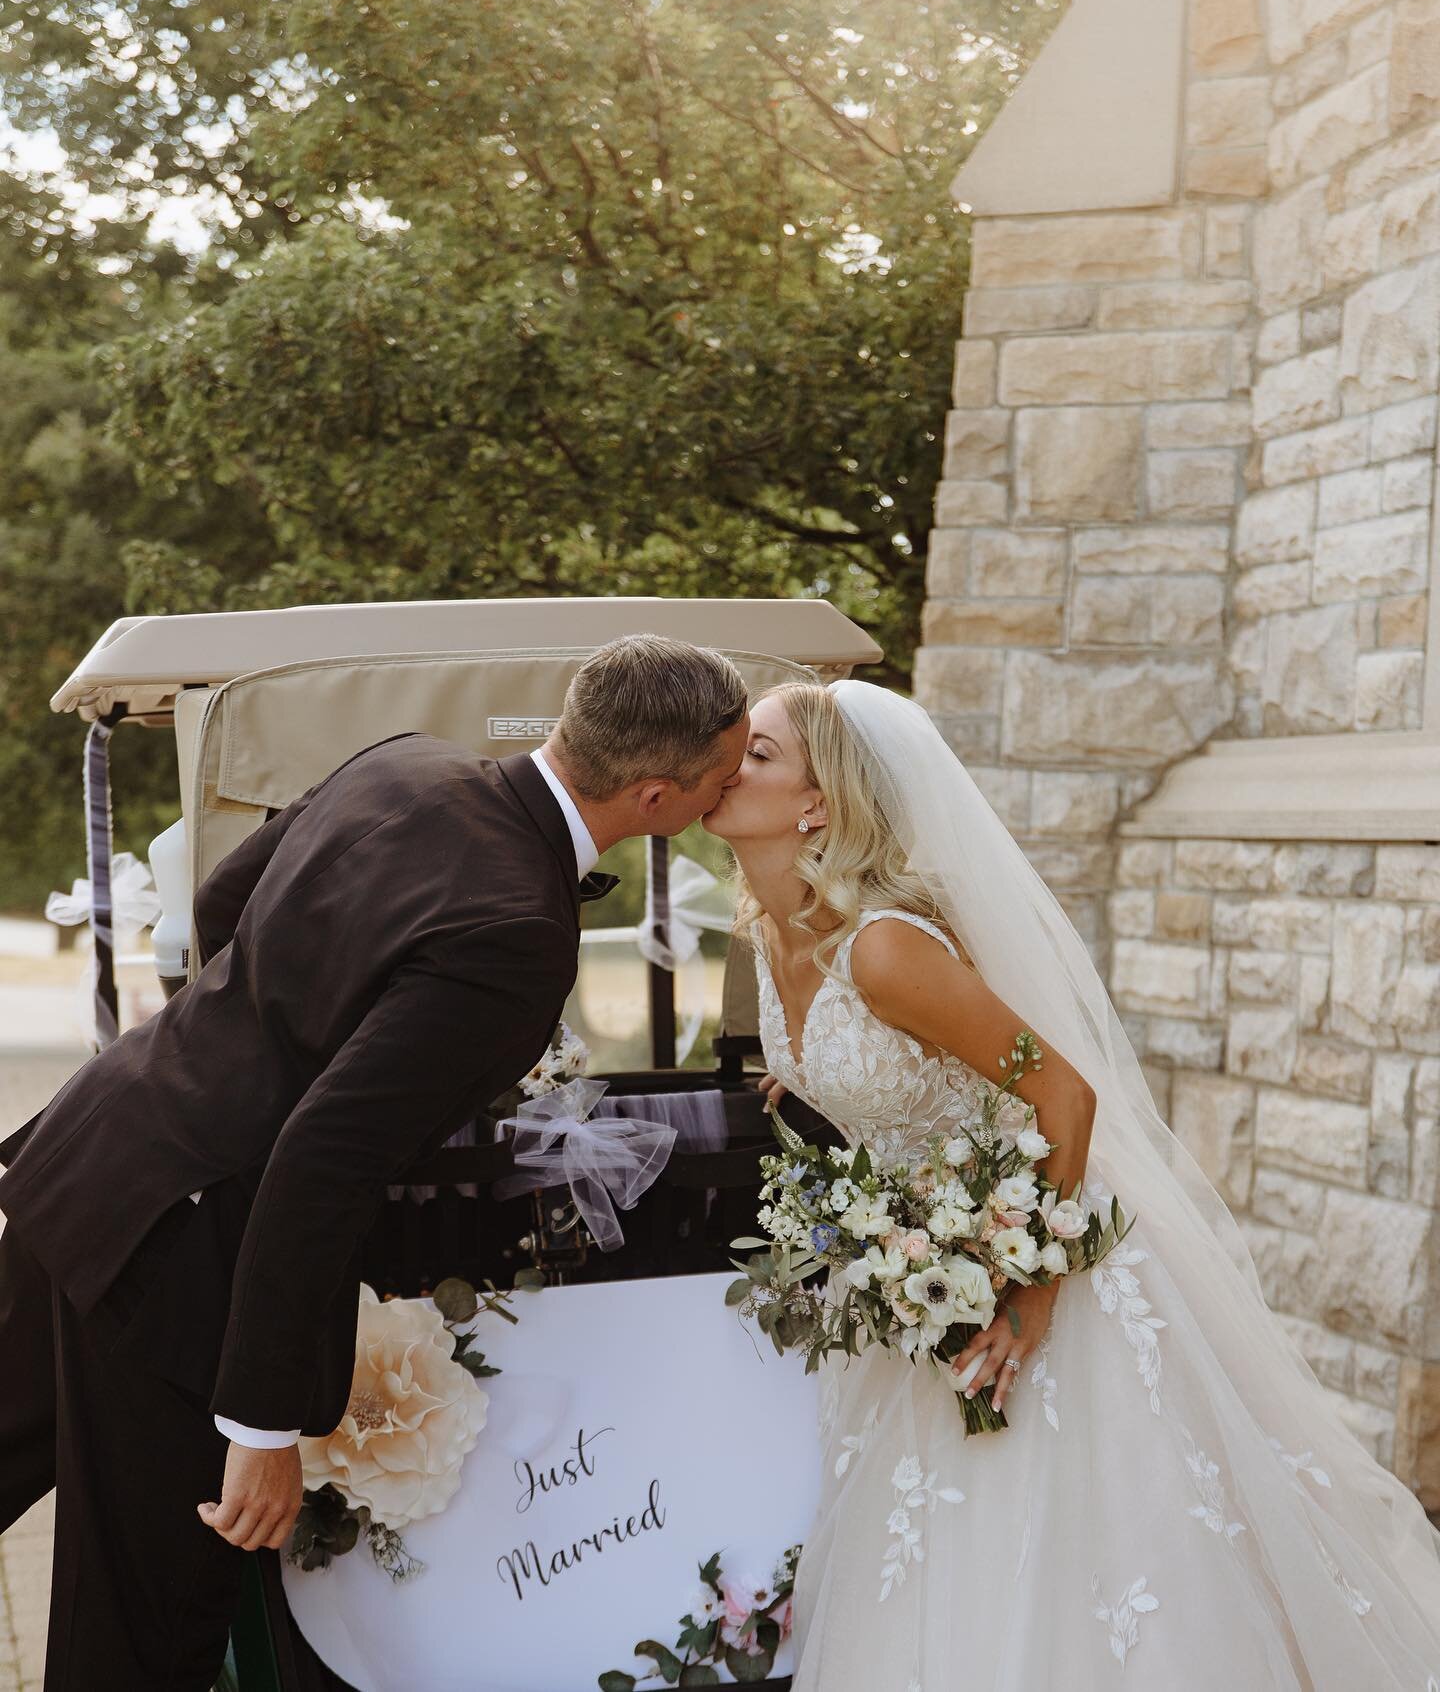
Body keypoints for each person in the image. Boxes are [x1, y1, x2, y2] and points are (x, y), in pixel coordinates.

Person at [0, 632, 748, 1691]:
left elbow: (224, 906)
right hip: (179, 1247)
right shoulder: (520, 929)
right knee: (141, 1621)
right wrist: (259, 1422)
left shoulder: (404, 760)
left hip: (92, 1150)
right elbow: (320, 1158)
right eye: (723, 778)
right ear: (661, 795)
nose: (725, 798)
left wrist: (261, 1039)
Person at [703, 677, 1440, 1690]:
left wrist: (1032, 1289)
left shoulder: (881, 949)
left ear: (819, 803)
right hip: (923, 1282)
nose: (728, 764)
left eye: (760, 754)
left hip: (1036, 1264)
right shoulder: (769, 930)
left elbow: (1064, 1095)